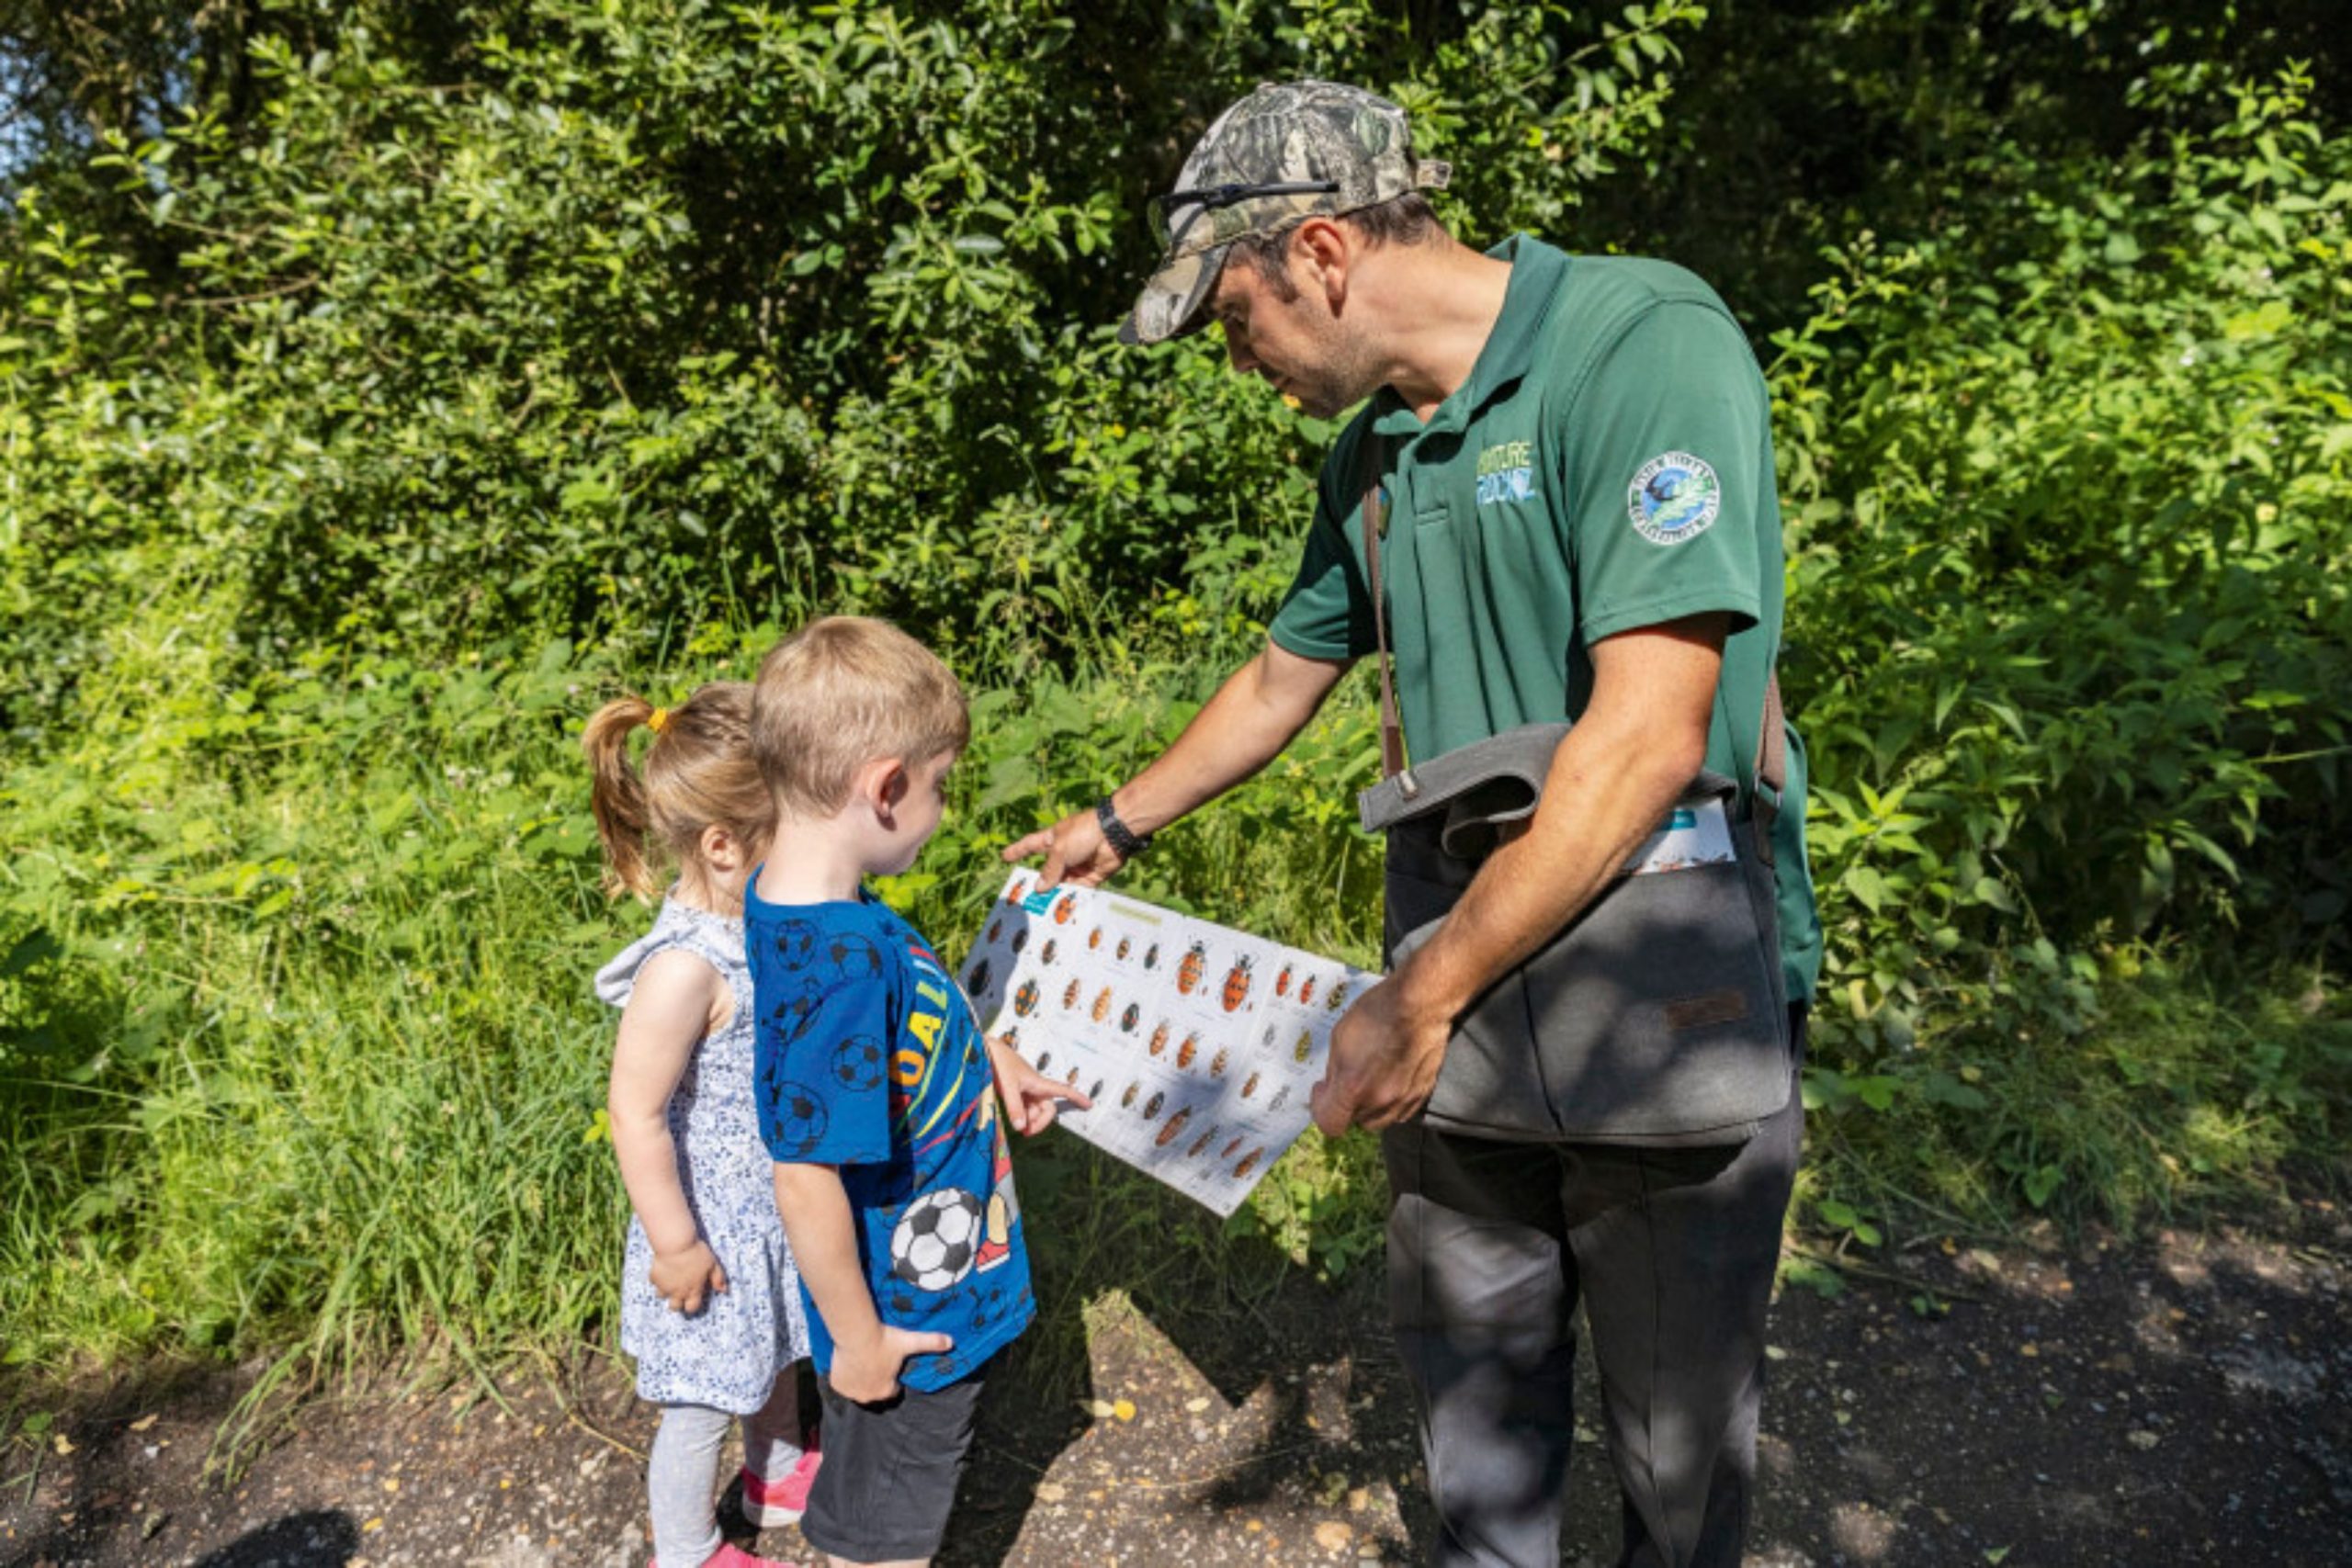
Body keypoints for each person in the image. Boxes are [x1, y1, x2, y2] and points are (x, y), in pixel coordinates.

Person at [1009, 81, 1822, 1568]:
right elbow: (1280, 675)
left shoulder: (1641, 346)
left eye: (1235, 318)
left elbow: (1646, 733)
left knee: (1678, 1454)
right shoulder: (1372, 461)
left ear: (1319, 251)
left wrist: (1416, 999)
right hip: (1463, 997)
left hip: (1656, 992)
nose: (1237, 359)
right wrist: (1113, 826)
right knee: (1477, 1433)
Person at [745, 616, 1082, 1568]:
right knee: (883, 1529)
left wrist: (987, 1060)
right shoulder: (838, 961)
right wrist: (858, 1344)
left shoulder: (815, 899)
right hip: (906, 1315)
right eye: (937, 788)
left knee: (899, 1493)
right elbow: (803, 1174)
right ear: (884, 786)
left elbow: (896, 1037)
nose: (941, 808)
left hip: (925, 1280)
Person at [585, 683, 821, 1568]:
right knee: (698, 1400)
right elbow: (634, 1110)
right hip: (704, 1225)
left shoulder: (759, 920)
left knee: (772, 1349)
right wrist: (674, 1241)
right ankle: (685, 1548)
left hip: (767, 1207)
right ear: (724, 847)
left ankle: (781, 1471)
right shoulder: (684, 967)